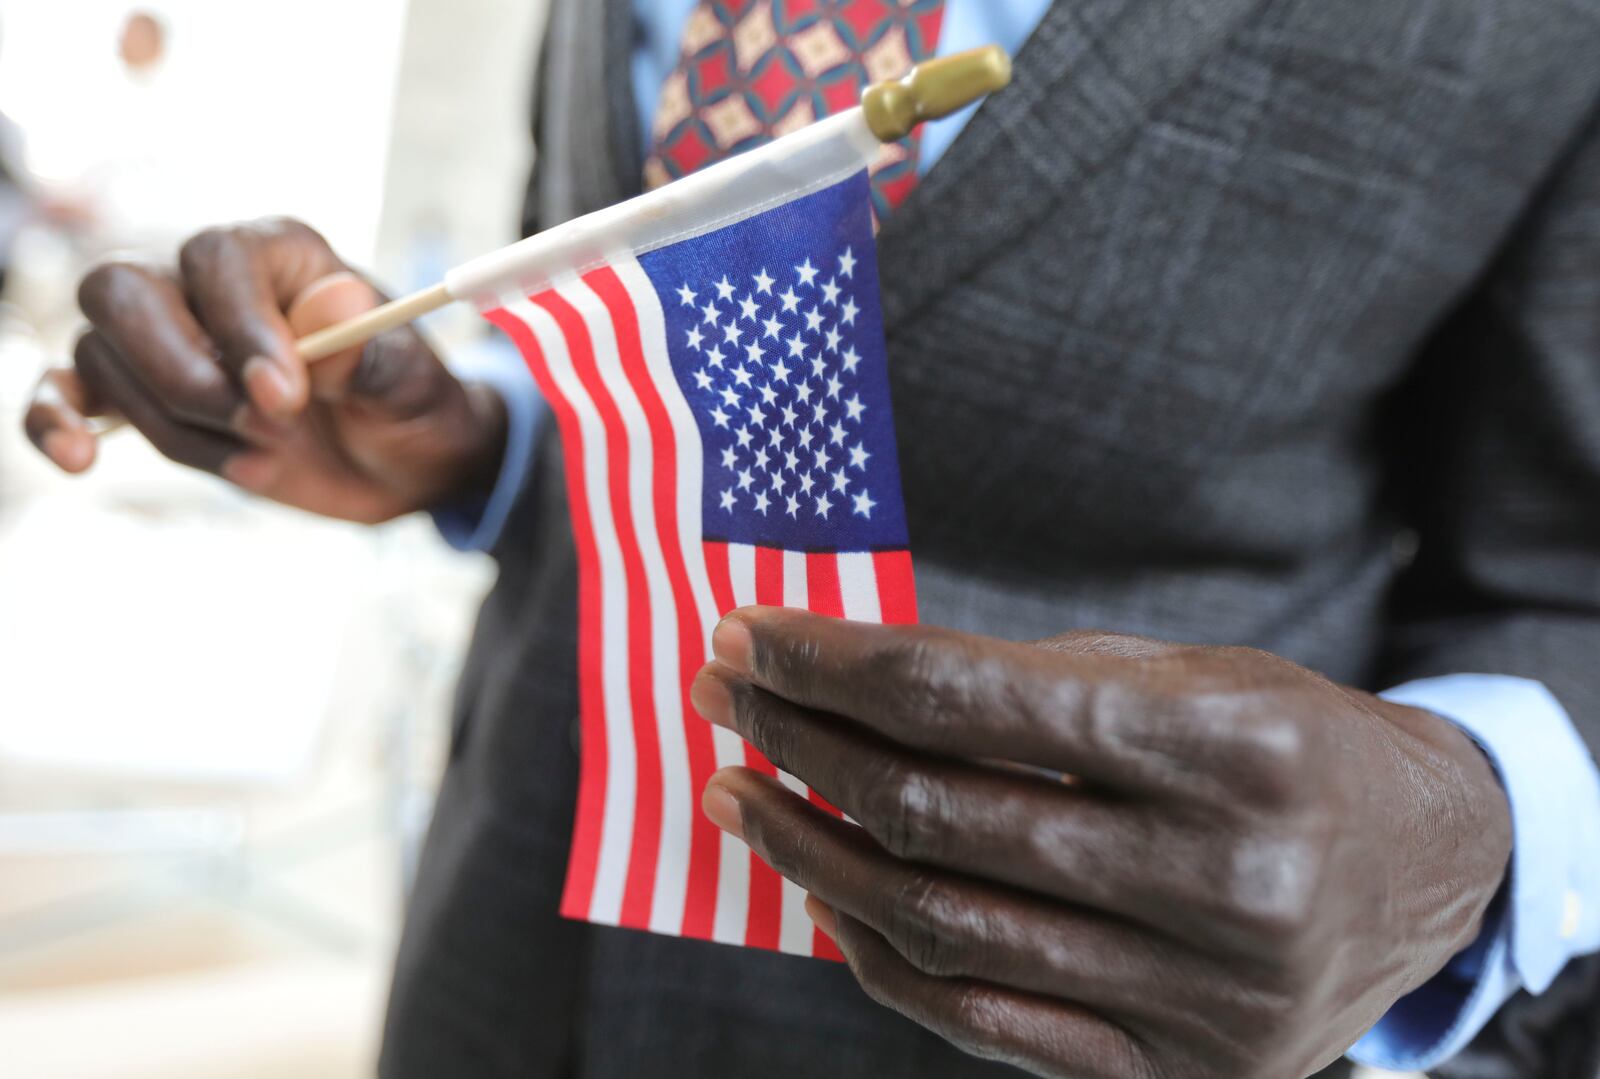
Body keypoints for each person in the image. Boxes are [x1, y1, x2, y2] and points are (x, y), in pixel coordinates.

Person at [22, 2, 1600, 1076]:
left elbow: (1565, 579)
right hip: (503, 967)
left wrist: (1468, 828)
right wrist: (476, 443)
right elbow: (638, 316)